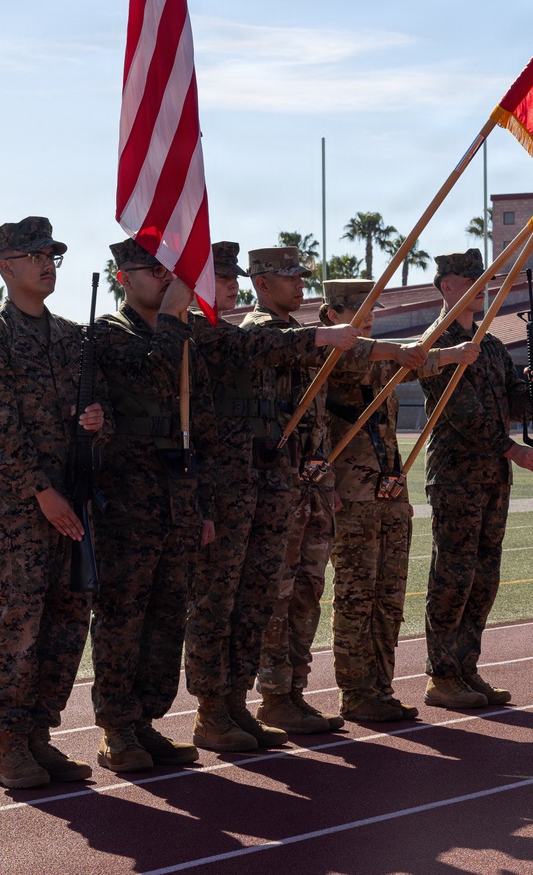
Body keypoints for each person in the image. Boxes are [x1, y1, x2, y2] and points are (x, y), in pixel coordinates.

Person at [184, 242, 362, 752]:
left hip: (262, 485)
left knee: (254, 599)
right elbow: (262, 343)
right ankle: (210, 711)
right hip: (220, 491)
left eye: (232, 278)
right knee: (215, 603)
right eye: (219, 278)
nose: (229, 286)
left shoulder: (235, 334)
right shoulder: (204, 334)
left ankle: (236, 702)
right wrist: (323, 334)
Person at [0, 216, 105, 789]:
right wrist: (43, 492)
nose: (47, 264)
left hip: (73, 500)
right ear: (6, 267)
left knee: (67, 622)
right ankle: (9, 744)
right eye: (36, 255)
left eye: (52, 256)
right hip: (18, 508)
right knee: (20, 623)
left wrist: (97, 421)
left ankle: (40, 734)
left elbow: (98, 416)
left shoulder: (72, 337)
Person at [250, 248, 421, 734]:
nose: (298, 283)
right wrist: (392, 348)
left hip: (315, 487)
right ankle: (276, 695)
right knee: (280, 595)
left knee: (306, 593)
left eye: (300, 276)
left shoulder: (306, 336)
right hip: (279, 487)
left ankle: (296, 693)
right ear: (262, 283)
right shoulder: (265, 334)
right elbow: (337, 352)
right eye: (289, 276)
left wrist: (439, 353)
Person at [89, 240, 219, 773]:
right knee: (122, 616)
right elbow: (151, 376)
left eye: (170, 270)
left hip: (178, 501)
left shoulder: (180, 336)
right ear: (123, 278)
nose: (166, 277)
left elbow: (200, 425)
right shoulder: (106, 334)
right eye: (153, 269)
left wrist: (204, 506)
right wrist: (171, 318)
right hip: (128, 503)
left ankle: (146, 720)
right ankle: (117, 728)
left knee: (168, 616)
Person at [323, 279, 476, 723]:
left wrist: (451, 355)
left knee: (388, 596)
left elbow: (408, 365)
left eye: (372, 309)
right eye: (357, 310)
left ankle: (379, 687)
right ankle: (356, 691)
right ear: (332, 315)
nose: (368, 317)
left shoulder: (379, 359)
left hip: (388, 494)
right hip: (351, 497)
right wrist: (429, 353)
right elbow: (383, 358)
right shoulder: (330, 357)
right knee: (356, 596)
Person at [418, 249, 533, 710]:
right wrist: (513, 450)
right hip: (456, 476)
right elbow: (463, 415)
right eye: (470, 280)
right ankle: (441, 675)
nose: (481, 288)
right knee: (453, 576)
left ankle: (465, 667)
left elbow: (513, 405)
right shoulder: (435, 344)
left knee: (483, 577)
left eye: (483, 280)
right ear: (447, 286)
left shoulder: (491, 345)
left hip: (492, 476)